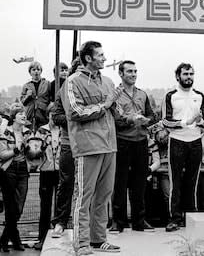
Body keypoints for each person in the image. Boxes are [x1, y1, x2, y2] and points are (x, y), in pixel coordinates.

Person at [65, 41, 123, 255]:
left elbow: (113, 112)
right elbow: (75, 112)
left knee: (104, 195)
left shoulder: (108, 81)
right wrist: (105, 105)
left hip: (109, 145)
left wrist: (127, 114)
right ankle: (81, 244)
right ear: (88, 58)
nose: (104, 58)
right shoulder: (72, 82)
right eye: (100, 55)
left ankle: (98, 240)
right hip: (88, 146)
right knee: (83, 196)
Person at [110, 60, 156, 233]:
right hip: (122, 142)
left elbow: (152, 116)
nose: (134, 74)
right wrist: (130, 119)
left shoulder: (143, 94)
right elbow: (114, 120)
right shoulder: (115, 95)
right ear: (121, 74)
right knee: (119, 183)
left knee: (140, 183)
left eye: (135, 71)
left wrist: (147, 121)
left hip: (141, 142)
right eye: (129, 71)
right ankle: (118, 222)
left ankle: (139, 220)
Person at [161, 63, 204, 232]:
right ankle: (174, 218)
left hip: (195, 141)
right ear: (178, 76)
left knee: (192, 180)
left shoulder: (200, 95)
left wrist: (199, 121)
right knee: (176, 181)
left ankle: (191, 216)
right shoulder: (171, 95)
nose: (189, 77)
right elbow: (165, 121)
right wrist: (185, 122)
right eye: (186, 74)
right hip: (177, 141)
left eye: (191, 74)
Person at [50, 57, 80, 238]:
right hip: (69, 143)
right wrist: (75, 118)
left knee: (88, 185)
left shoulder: (93, 89)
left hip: (89, 144)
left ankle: (88, 222)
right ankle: (61, 221)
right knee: (66, 182)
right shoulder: (63, 91)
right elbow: (56, 117)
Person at [0, 104, 32, 252]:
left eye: (24, 113)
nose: (24, 115)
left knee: (19, 206)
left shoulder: (28, 132)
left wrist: (32, 149)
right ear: (14, 117)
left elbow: (32, 155)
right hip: (9, 170)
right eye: (20, 113)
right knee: (11, 207)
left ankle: (5, 238)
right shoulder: (6, 131)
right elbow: (2, 154)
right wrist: (16, 149)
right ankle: (14, 239)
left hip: (23, 170)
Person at [34, 107, 61, 250]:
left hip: (61, 172)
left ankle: (58, 237)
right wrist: (42, 145)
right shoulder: (41, 130)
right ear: (48, 115)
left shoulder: (65, 128)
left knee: (60, 206)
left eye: (57, 115)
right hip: (46, 170)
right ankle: (42, 237)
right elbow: (34, 151)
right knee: (45, 205)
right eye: (52, 114)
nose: (54, 117)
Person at [20, 61, 51, 131]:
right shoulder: (26, 85)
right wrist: (27, 96)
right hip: (30, 115)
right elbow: (23, 101)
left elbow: (51, 98)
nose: (36, 72)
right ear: (30, 72)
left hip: (43, 114)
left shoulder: (47, 84)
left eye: (38, 69)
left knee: (43, 133)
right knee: (29, 135)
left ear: (41, 71)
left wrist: (48, 109)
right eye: (33, 70)